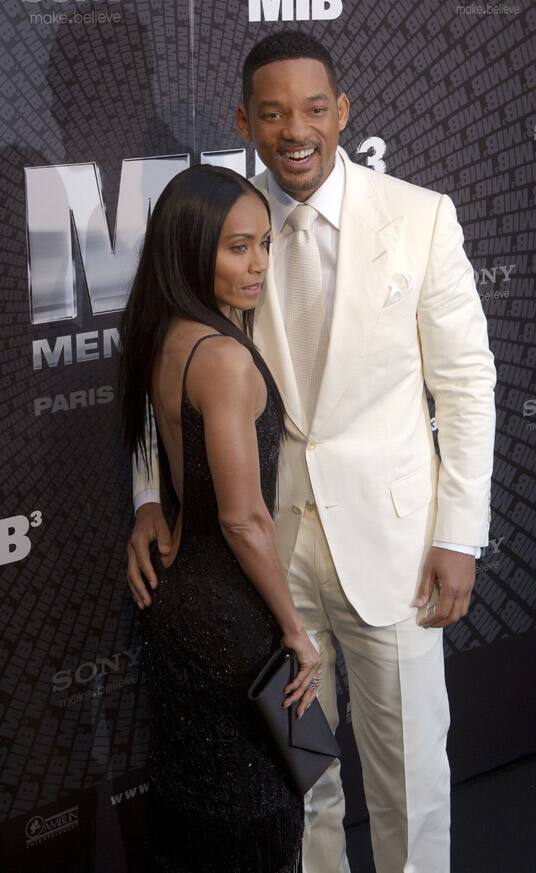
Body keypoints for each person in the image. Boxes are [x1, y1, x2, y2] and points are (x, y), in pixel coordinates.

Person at [129, 33, 496, 873]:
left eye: (314, 109)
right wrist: (152, 492)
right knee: (302, 774)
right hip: (265, 558)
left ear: (343, 113)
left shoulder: (419, 216)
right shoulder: (233, 224)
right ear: (245, 122)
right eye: (273, 112)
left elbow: (467, 384)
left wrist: (460, 532)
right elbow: (175, 346)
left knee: (409, 776)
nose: (296, 130)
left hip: (395, 550)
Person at [119, 163, 322, 873]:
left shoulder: (165, 335)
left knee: (203, 819)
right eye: (238, 247)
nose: (258, 263)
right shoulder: (226, 360)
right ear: (189, 245)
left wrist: (151, 504)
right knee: (256, 820)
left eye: (264, 243)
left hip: (179, 608)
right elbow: (244, 520)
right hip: (232, 620)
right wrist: (296, 631)